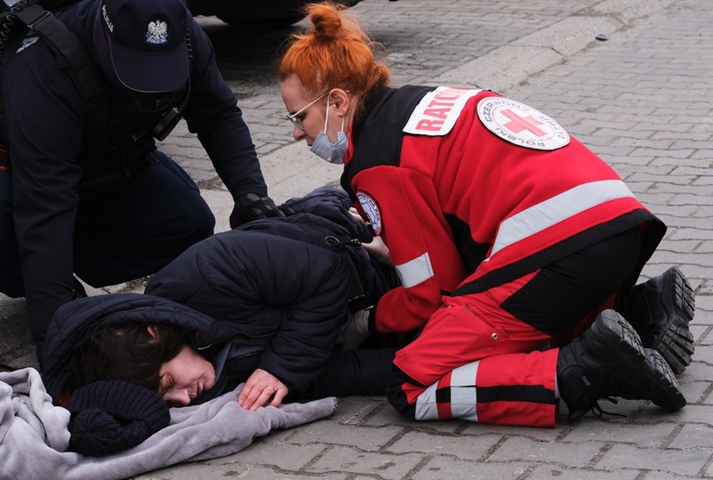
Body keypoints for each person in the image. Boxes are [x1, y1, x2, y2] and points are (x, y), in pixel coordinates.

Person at [276, 2, 696, 426]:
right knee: (522, 326)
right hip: (618, 224)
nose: (296, 132)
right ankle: (644, 312)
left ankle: (582, 372)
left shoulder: (380, 161)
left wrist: (365, 322)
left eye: (299, 116)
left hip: (561, 251)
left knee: (413, 383)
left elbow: (431, 296)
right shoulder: (423, 103)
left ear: (338, 101)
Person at [0, 0, 285, 360]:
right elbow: (44, 210)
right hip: (5, 167)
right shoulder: (45, 67)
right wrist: (56, 345)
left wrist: (251, 196)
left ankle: (68, 263)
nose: (152, 83)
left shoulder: (183, 34)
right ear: (105, 37)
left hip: (95, 153)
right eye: (139, 69)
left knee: (189, 221)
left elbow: (218, 114)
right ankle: (49, 286)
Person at [41, 187, 401, 411]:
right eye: (167, 401)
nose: (183, 399)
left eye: (168, 385)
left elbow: (326, 273)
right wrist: (410, 367)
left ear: (152, 335)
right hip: (380, 304)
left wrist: (283, 368)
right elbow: (324, 373)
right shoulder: (211, 380)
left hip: (363, 229)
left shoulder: (204, 274)